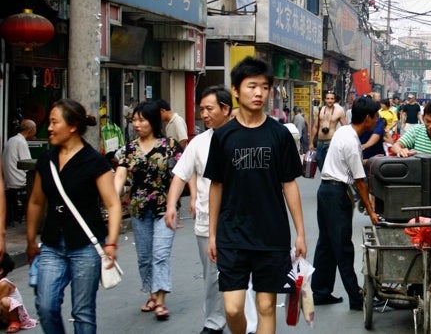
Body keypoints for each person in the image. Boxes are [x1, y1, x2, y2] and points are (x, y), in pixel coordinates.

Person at [204, 56, 306, 334]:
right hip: (232, 234)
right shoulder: (223, 136)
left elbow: (290, 184)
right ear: (236, 90)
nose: (259, 92)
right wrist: (212, 234)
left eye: (264, 86)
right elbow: (217, 186)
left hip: (271, 235)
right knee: (233, 308)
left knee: (266, 307)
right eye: (251, 86)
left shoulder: (280, 135)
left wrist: (299, 232)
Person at [164, 86, 259, 334]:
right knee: (212, 277)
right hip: (208, 222)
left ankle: (248, 326)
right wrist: (171, 204)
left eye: (209, 109)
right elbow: (180, 175)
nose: (204, 114)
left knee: (240, 276)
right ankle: (214, 323)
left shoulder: (245, 138)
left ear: (225, 109)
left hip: (242, 221)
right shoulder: (199, 143)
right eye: (201, 110)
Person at [25, 98, 122, 333]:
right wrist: (30, 240)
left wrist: (111, 241)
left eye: (54, 122)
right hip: (51, 245)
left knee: (82, 312)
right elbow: (37, 201)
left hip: (86, 246)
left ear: (72, 126)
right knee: (46, 306)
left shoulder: (94, 161)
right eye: (49, 122)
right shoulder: (46, 160)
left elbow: (113, 204)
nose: (48, 127)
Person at [114, 101, 183, 321]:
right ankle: (153, 294)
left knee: (160, 255)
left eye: (141, 119)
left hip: (165, 209)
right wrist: (112, 199)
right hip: (138, 209)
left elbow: (181, 174)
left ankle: (160, 301)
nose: (137, 124)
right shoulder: (128, 149)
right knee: (144, 257)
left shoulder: (170, 145)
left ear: (153, 121)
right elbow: (120, 177)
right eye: (134, 120)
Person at [312, 97, 380, 311]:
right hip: (335, 194)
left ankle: (321, 292)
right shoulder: (351, 141)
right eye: (376, 116)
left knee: (326, 243)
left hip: (325, 190)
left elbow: (350, 164)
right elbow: (360, 182)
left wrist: (368, 160)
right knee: (343, 246)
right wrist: (371, 211)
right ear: (368, 118)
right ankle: (356, 297)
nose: (377, 119)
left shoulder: (344, 132)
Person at [2, 119, 35, 225]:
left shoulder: (12, 139)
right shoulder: (21, 142)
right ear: (31, 130)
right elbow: (28, 165)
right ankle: (34, 219)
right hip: (18, 181)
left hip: (9, 179)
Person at [309, 91, 347, 171]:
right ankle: (324, 180)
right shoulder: (320, 110)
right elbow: (315, 127)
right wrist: (311, 142)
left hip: (331, 142)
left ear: (334, 100)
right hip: (320, 142)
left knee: (330, 165)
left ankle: (327, 182)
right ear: (324, 100)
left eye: (332, 99)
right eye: (328, 98)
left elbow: (345, 128)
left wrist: (343, 142)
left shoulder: (339, 112)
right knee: (320, 164)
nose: (330, 100)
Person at [0, 252, 37, 332]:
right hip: (4, 314)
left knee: (4, 301)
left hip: (16, 314)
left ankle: (15, 321)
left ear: (0, 271)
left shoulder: (3, 283)